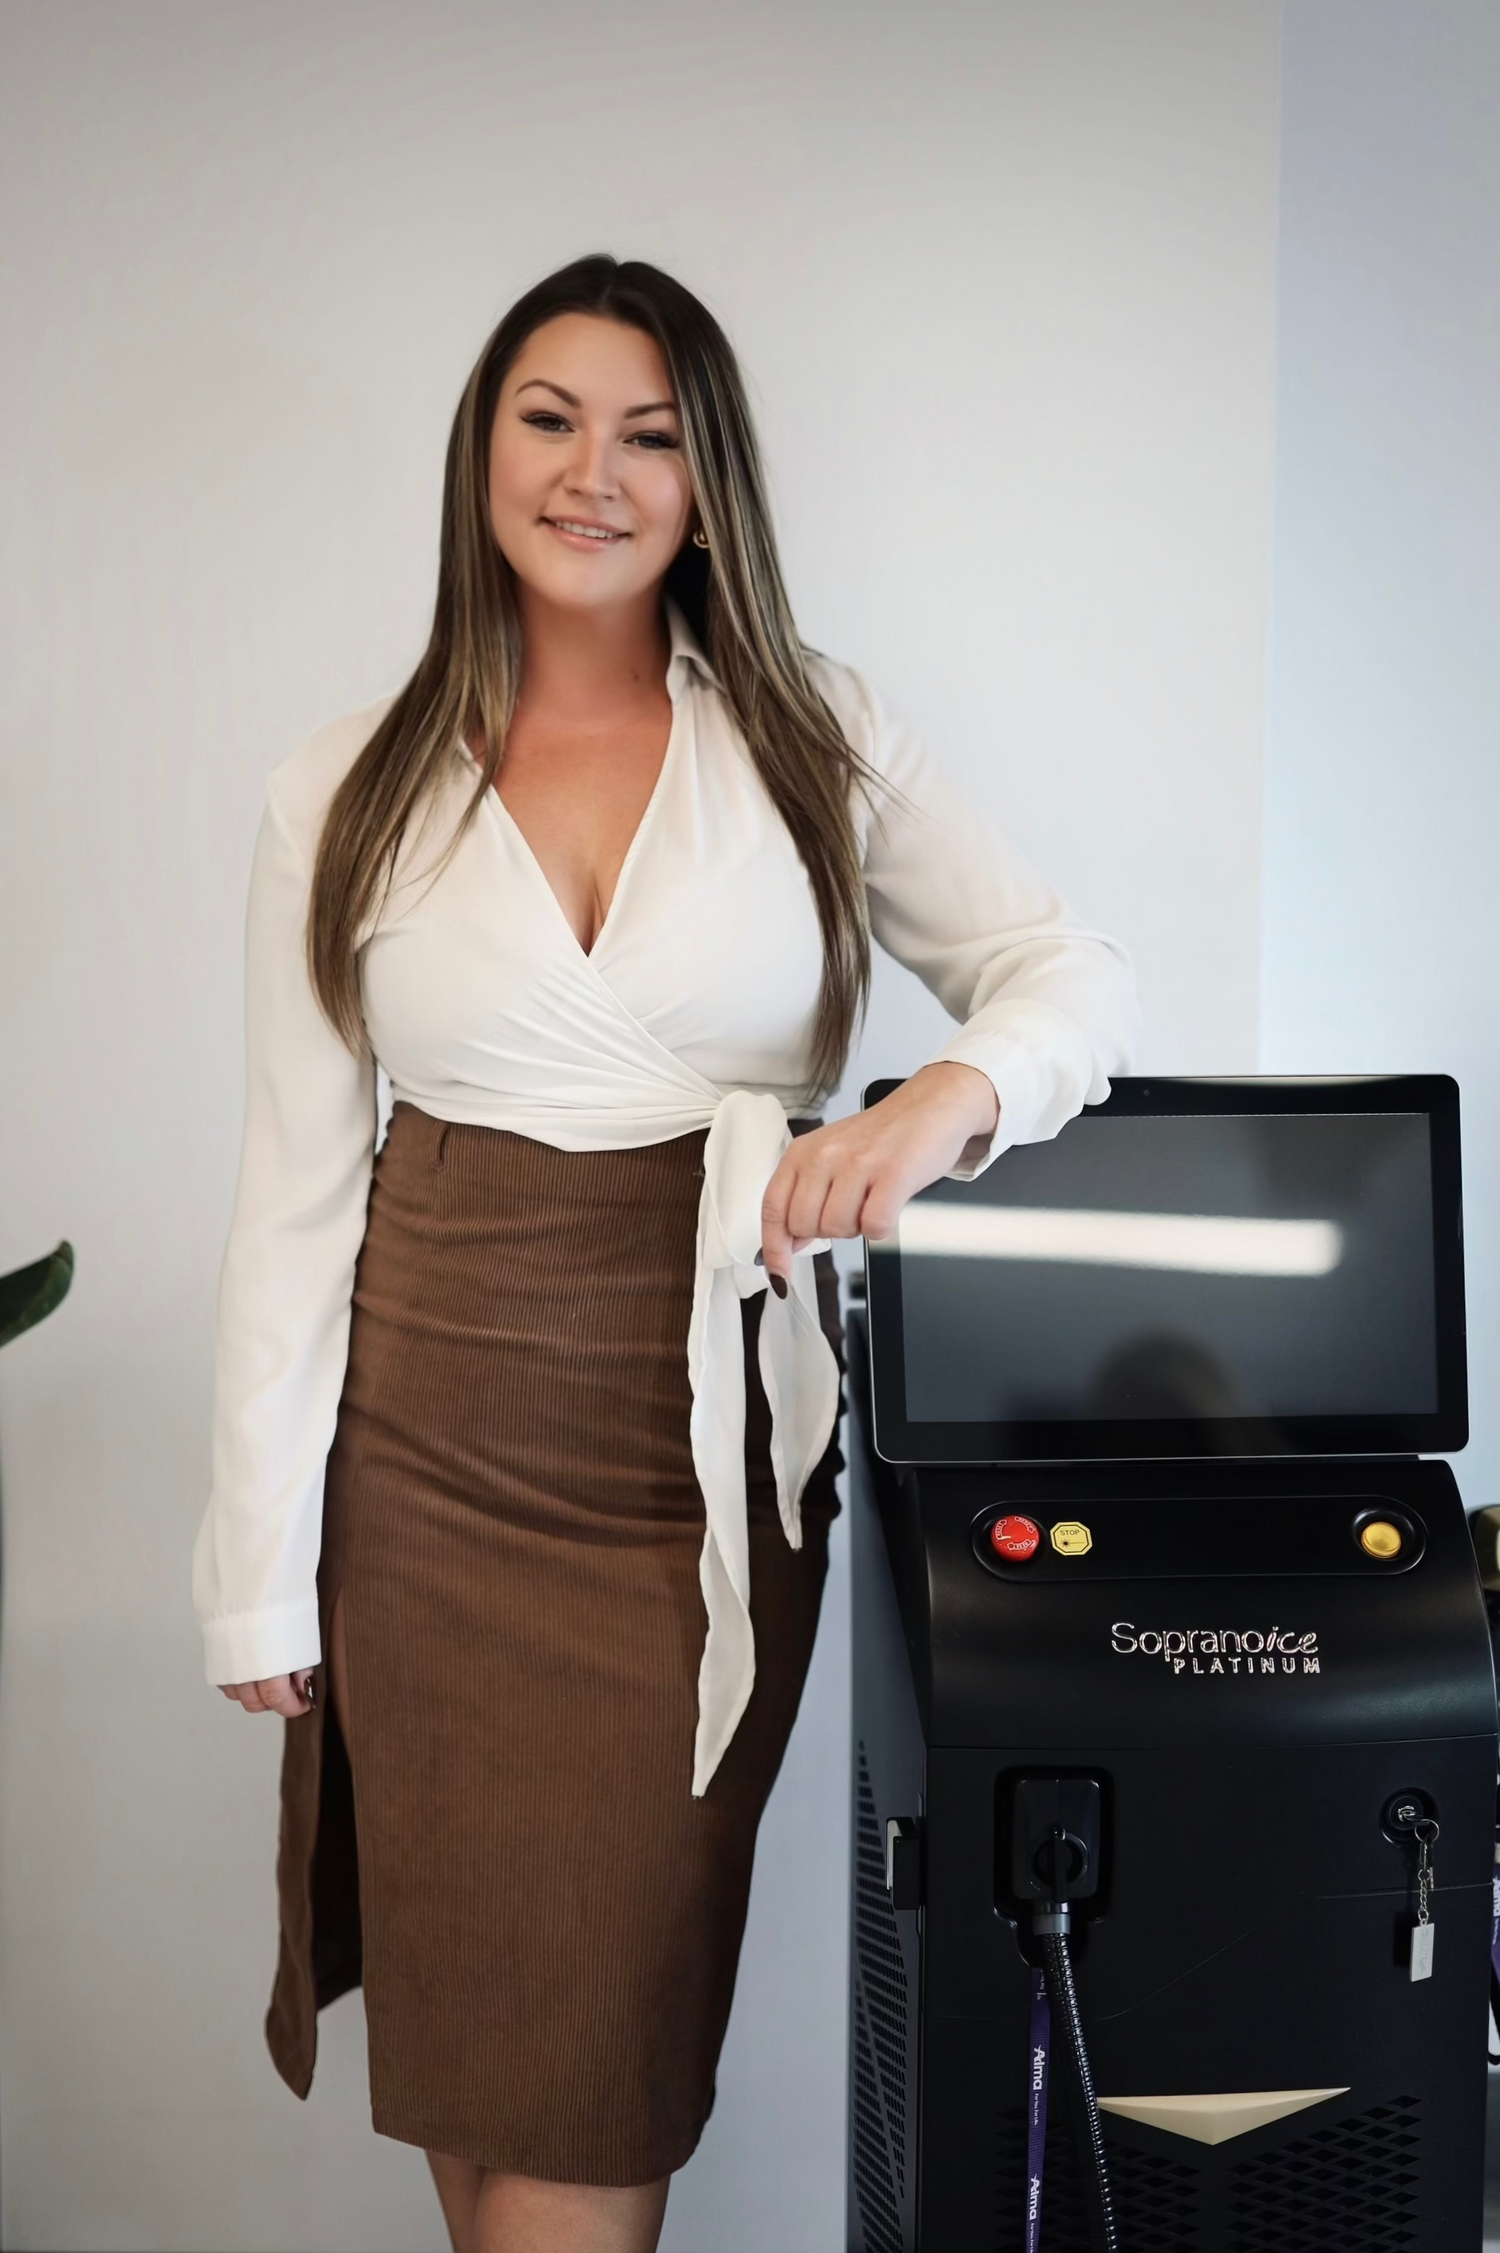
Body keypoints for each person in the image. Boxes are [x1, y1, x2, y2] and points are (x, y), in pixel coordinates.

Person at [192, 253, 1141, 2253]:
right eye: (551, 417)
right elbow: (294, 1193)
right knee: (477, 2062)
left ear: (711, 480)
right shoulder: (338, 784)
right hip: (422, 1469)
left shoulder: (817, 734)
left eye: (652, 431)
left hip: (692, 1472)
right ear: (481, 451)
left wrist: (932, 1100)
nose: (595, 473)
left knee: (595, 2057)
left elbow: (1065, 972)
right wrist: (254, 1570)